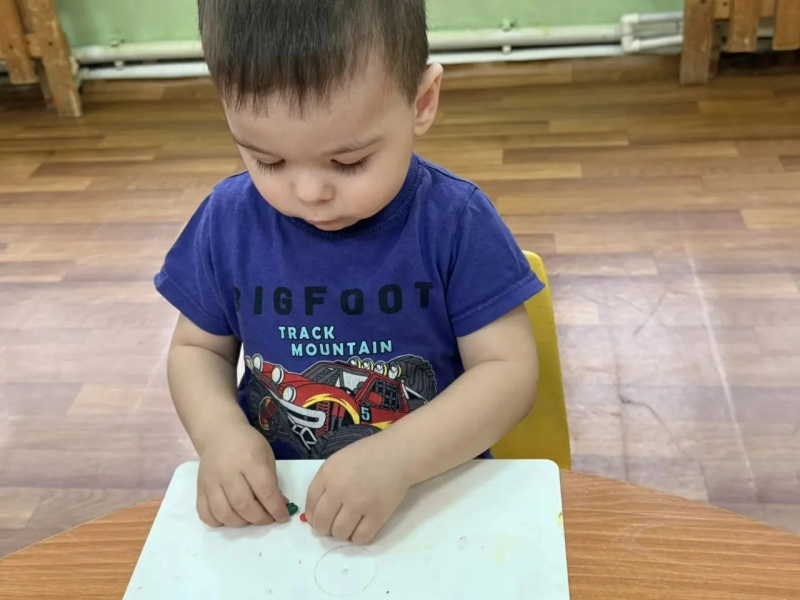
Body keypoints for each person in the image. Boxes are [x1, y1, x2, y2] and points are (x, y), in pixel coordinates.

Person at [155, 0, 542, 546]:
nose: (309, 192)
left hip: (430, 496)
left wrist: (397, 459)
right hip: (279, 512)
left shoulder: (456, 221)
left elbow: (508, 371)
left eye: (348, 162)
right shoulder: (227, 221)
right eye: (267, 160)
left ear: (421, 102)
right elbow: (198, 350)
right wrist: (219, 435)